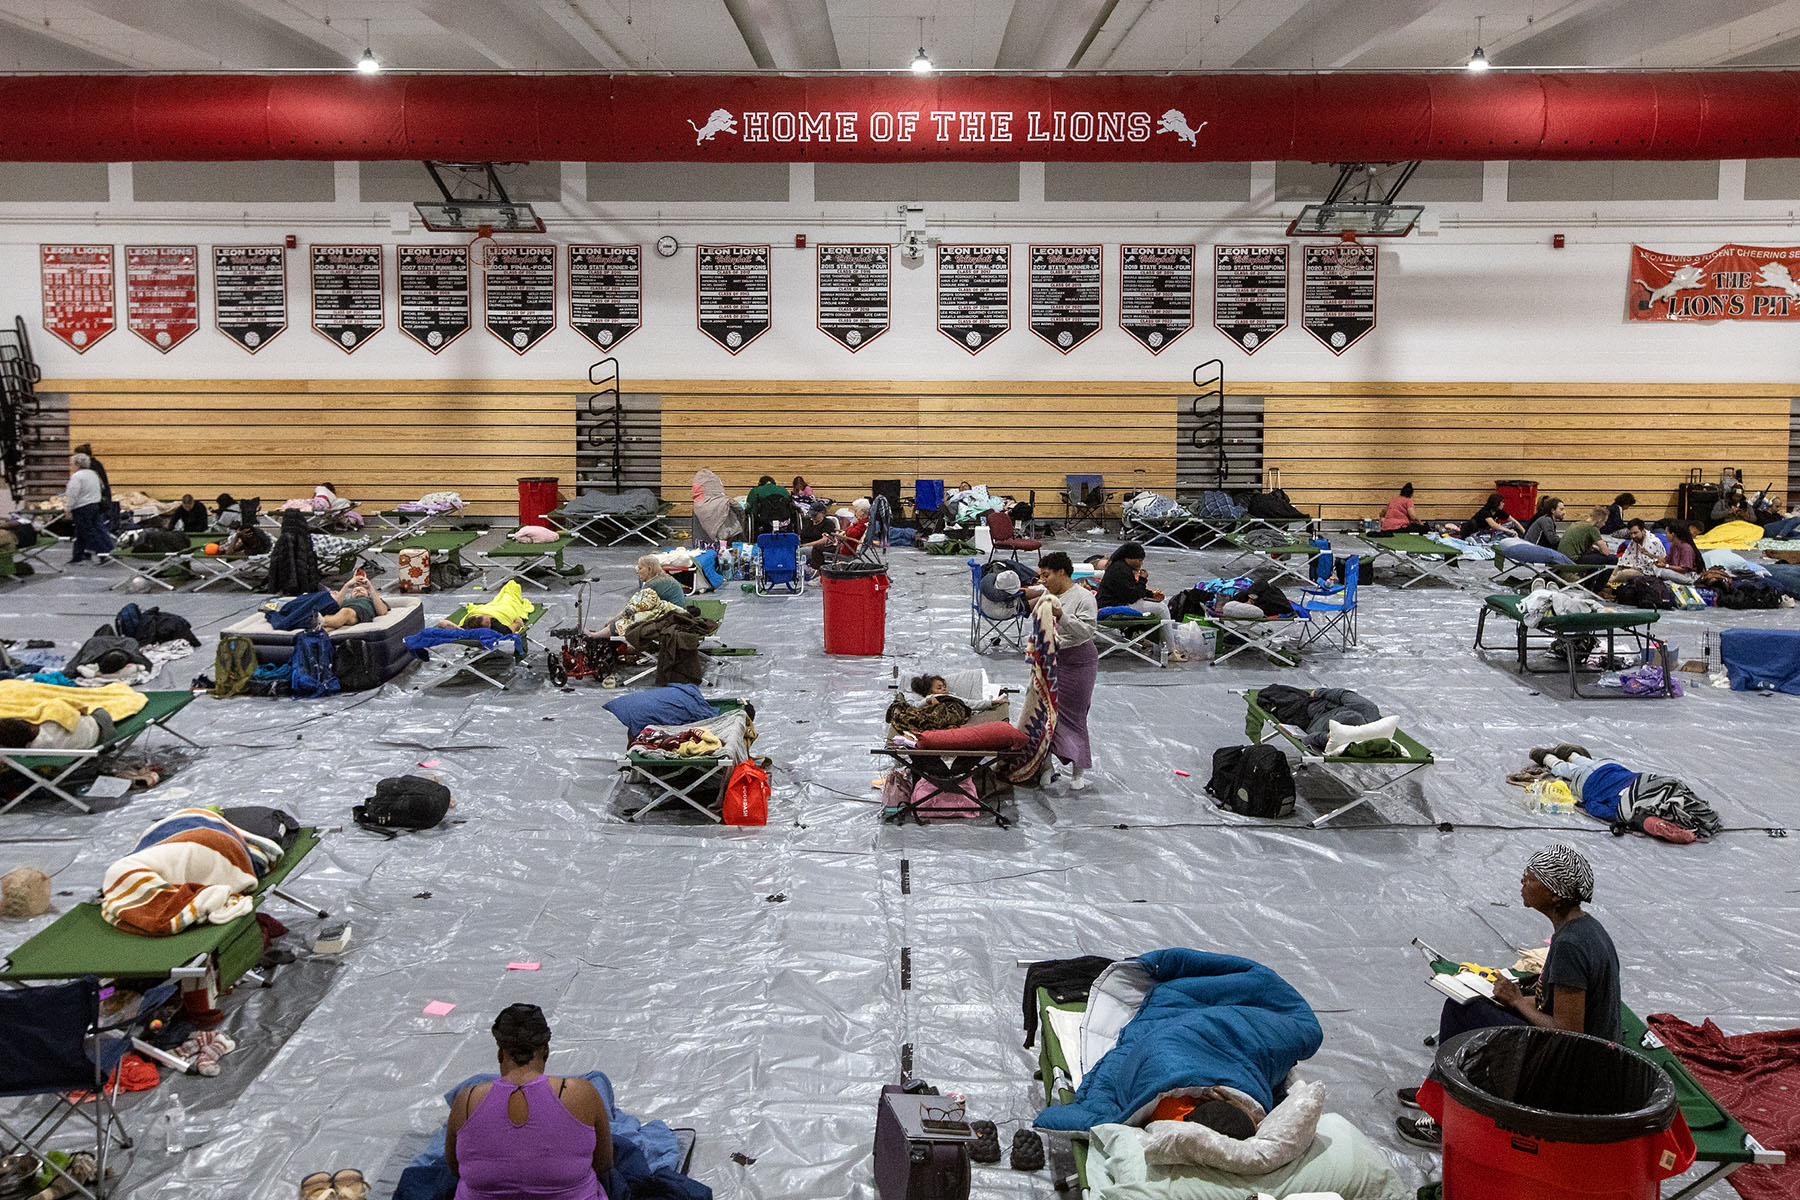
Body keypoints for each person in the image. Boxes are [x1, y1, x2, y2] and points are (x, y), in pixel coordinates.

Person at [1395, 843, 1623, 1148]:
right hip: (1589, 1052)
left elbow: (1570, 1032)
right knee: (1473, 1004)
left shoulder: (1570, 946)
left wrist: (1515, 1001)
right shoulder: (1583, 929)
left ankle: (1445, 1118)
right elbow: (1553, 1003)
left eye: (1530, 877)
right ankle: (1438, 1091)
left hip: (1575, 1066)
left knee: (1460, 1012)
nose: (1522, 882)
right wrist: (1510, 997)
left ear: (1555, 893)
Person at [445, 1004, 611, 1200]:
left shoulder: (467, 1100)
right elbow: (604, 1162)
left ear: (500, 1054)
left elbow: (455, 1167)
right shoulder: (583, 1093)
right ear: (546, 1051)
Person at [1026, 552, 1098, 791]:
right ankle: (1046, 766)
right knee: (1046, 716)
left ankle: (1078, 770)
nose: (1043, 581)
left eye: (1046, 575)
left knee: (1075, 717)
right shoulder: (1047, 596)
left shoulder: (1084, 597)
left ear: (1062, 573)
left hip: (1079, 663)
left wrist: (1061, 617)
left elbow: (1086, 632)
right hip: (1051, 661)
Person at [1095, 542, 1170, 625]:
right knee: (1161, 608)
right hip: (1113, 606)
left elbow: (1132, 589)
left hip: (1117, 602)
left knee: (1159, 605)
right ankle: (1168, 638)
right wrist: (1142, 580)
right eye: (1139, 560)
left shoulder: (1121, 567)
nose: (1141, 564)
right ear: (1130, 558)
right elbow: (1132, 596)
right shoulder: (1120, 570)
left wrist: (1151, 595)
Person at [64, 453, 113, 564]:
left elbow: (73, 494)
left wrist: (68, 508)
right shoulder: (93, 474)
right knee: (86, 531)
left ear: (77, 464)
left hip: (82, 507)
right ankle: (78, 556)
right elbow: (101, 488)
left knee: (87, 532)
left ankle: (103, 554)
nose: (71, 466)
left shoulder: (77, 476)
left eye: (72, 464)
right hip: (94, 505)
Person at [318, 571, 389, 631]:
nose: (358, 590)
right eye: (355, 590)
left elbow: (382, 612)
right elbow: (335, 605)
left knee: (346, 611)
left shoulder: (371, 600)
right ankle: (315, 628)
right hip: (340, 616)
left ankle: (313, 622)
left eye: (362, 590)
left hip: (360, 612)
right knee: (328, 625)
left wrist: (370, 587)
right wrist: (347, 585)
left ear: (368, 594)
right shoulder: (345, 601)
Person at [1459, 493, 1525, 539]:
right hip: (1475, 530)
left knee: (1512, 525)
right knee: (1472, 523)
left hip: (1485, 531)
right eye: (1502, 502)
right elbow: (1493, 524)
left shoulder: (1499, 511)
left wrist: (1524, 532)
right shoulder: (1485, 511)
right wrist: (1509, 531)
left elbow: (1514, 521)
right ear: (1497, 503)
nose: (1503, 504)